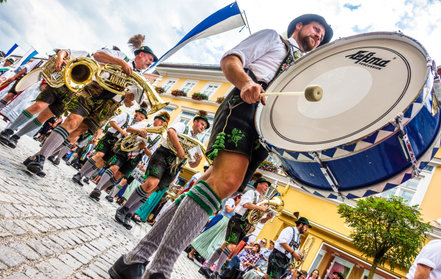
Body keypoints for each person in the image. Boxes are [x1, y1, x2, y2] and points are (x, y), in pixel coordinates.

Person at [108, 14, 333, 279]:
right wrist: (247, 82)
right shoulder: (274, 39)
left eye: (321, 36)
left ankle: (134, 259)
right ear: (299, 26)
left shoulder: (302, 70)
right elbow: (230, 60)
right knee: (225, 182)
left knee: (215, 186)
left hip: (265, 130)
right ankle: (160, 269)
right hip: (243, 108)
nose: (318, 36)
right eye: (316, 29)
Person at [24, 34, 158, 177]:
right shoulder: (121, 56)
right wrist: (120, 63)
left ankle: (37, 156)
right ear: (141, 54)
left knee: (77, 132)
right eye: (150, 59)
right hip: (94, 90)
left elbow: (130, 103)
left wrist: (128, 100)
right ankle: (41, 158)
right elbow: (98, 55)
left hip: (109, 105)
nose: (150, 63)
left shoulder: (140, 79)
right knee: (72, 120)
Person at [113, 110, 209, 230]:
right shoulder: (183, 127)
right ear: (195, 122)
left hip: (175, 165)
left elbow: (191, 164)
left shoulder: (196, 143)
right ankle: (124, 208)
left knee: (152, 190)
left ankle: (128, 213)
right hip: (163, 155)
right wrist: (180, 149)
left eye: (204, 126)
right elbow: (170, 131)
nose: (202, 127)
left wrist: (198, 161)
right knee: (150, 183)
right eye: (202, 124)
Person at [0, 49, 87, 149]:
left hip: (73, 93)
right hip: (60, 84)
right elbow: (63, 51)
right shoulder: (86, 54)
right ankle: (8, 130)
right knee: (38, 106)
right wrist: (60, 58)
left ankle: (16, 136)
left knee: (44, 117)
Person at [88, 110, 169, 203]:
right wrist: (139, 131)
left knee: (119, 175)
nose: (161, 124)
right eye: (161, 121)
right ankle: (97, 189)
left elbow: (151, 154)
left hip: (137, 156)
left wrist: (144, 148)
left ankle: (99, 189)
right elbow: (128, 129)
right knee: (114, 167)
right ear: (155, 120)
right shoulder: (144, 124)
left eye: (163, 123)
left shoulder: (158, 138)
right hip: (127, 148)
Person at [199, 178, 271, 279]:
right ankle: (216, 272)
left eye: (267, 186)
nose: (266, 187)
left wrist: (266, 218)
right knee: (231, 246)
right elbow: (246, 204)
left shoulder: (261, 200)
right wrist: (259, 208)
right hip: (238, 220)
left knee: (226, 245)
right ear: (258, 184)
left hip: (246, 225)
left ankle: (205, 267)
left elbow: (258, 219)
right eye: (265, 185)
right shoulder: (251, 193)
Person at [72, 107, 146, 186]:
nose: (141, 119)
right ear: (137, 113)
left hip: (119, 144)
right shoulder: (125, 116)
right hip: (110, 137)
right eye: (141, 117)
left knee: (102, 162)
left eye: (143, 118)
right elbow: (111, 122)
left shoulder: (138, 126)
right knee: (99, 155)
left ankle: (83, 175)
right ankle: (79, 173)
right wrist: (121, 131)